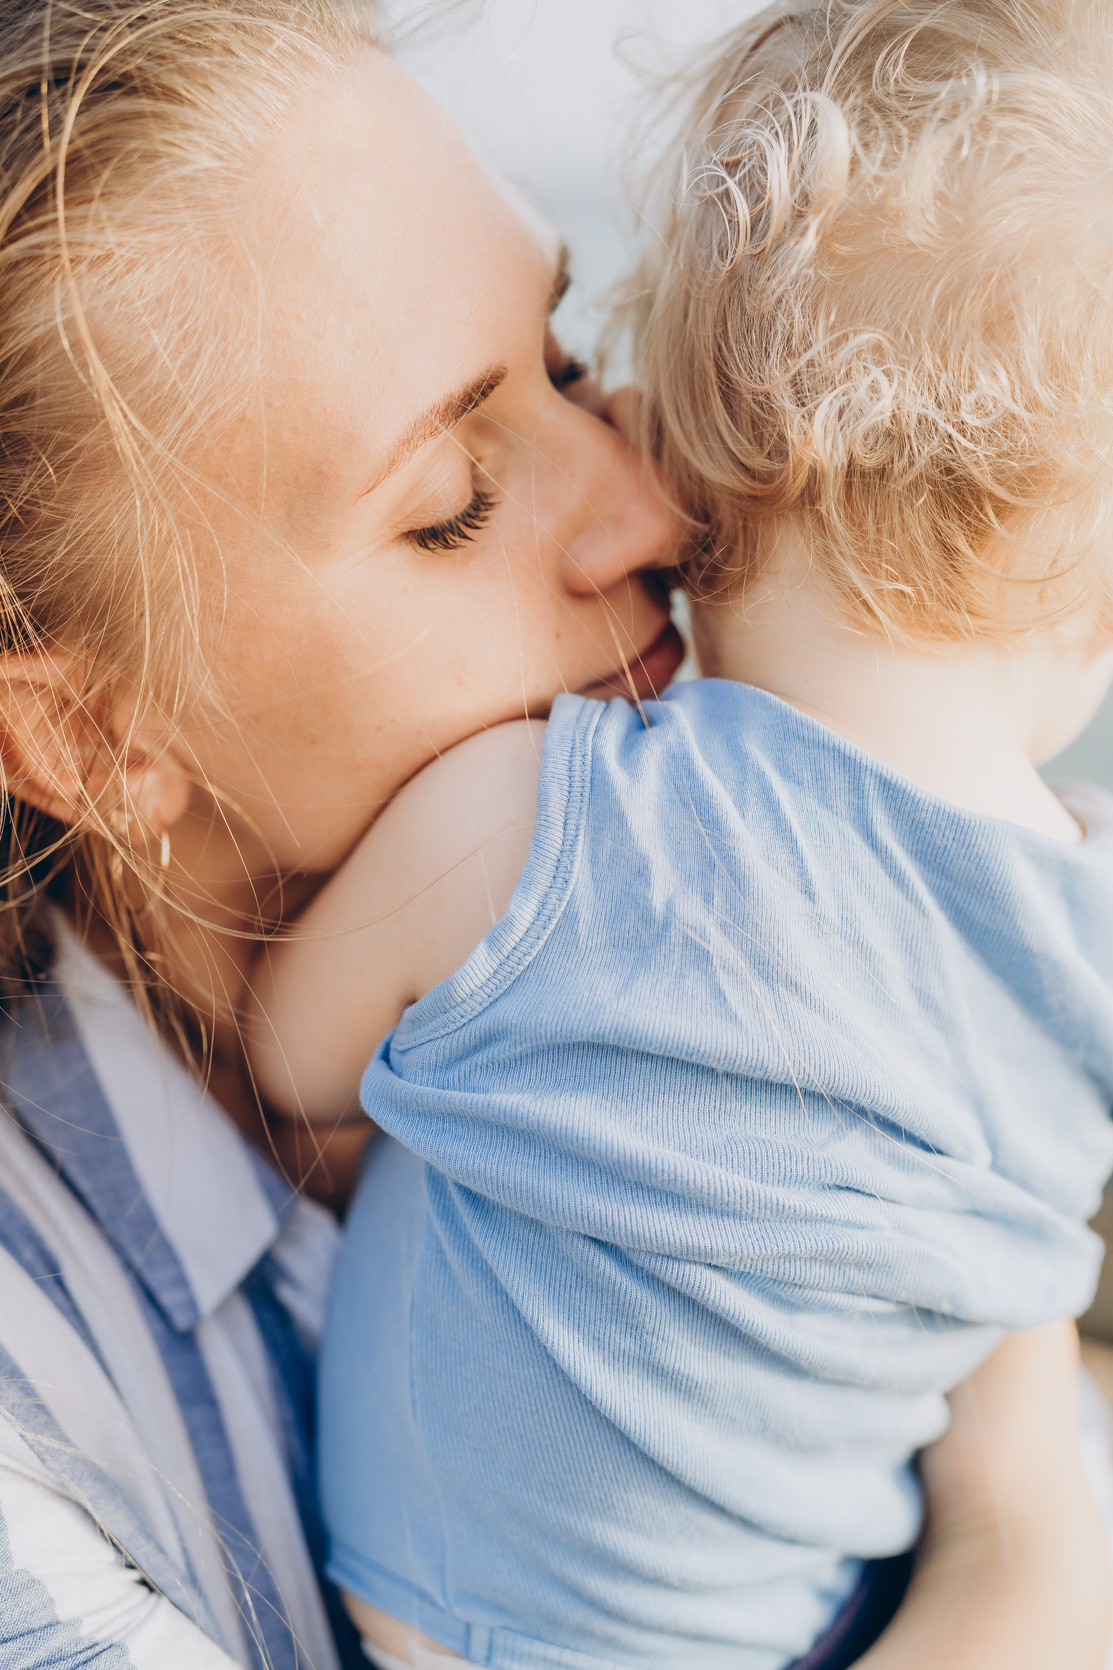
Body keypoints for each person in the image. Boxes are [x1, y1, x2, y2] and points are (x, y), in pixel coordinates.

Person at [0, 0, 1106, 1666]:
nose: (659, 509)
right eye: (449, 499)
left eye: (573, 361)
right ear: (90, 731)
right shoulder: (41, 1464)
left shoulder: (814, 967)